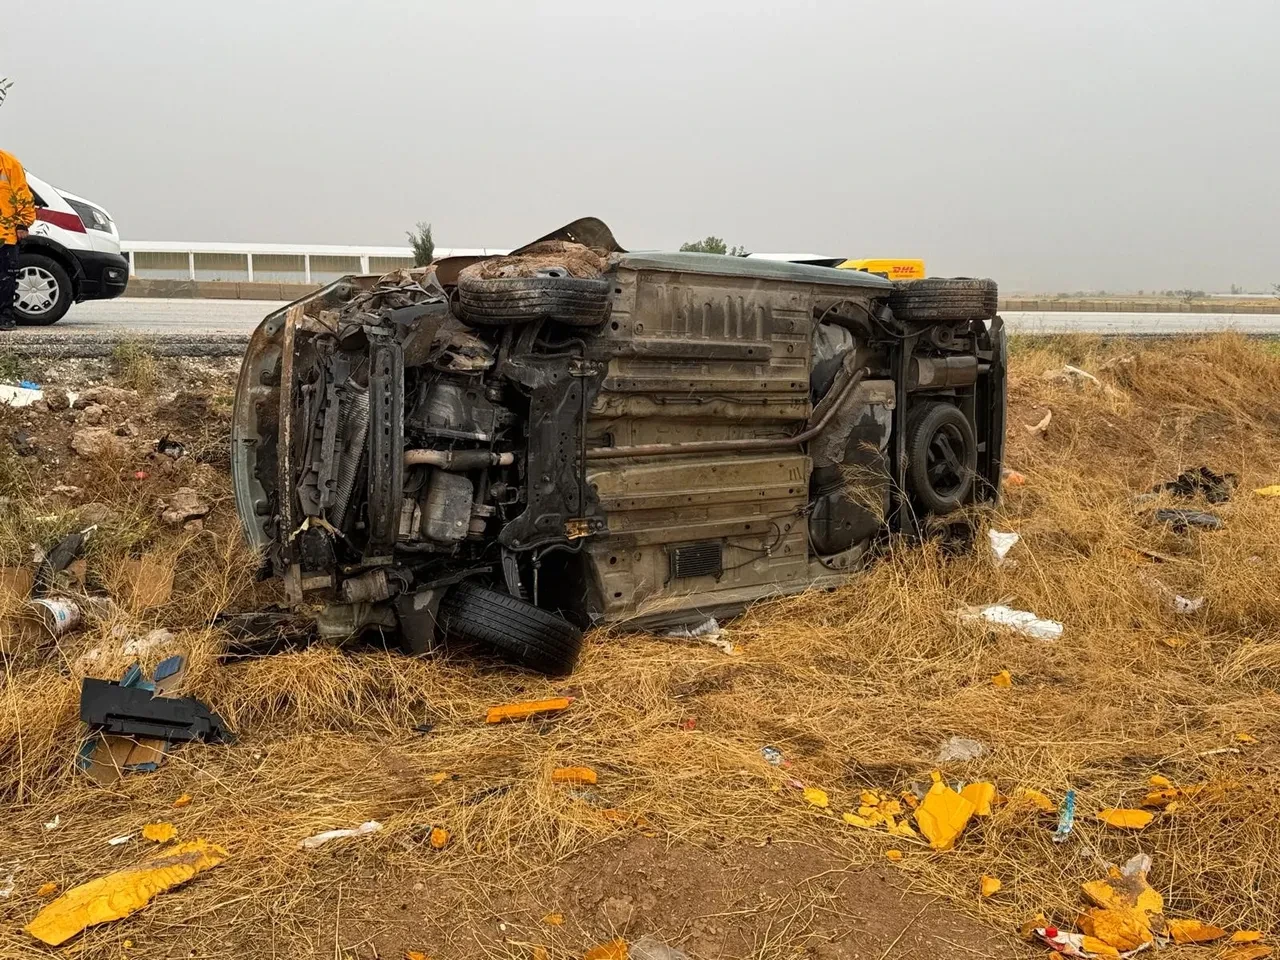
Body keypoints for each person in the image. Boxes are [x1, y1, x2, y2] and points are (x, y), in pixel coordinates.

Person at [0, 148, 37, 330]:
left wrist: (23, 223)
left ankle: (5, 317)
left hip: (4, 234)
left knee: (6, 278)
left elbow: (23, 194)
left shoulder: (9, 163)